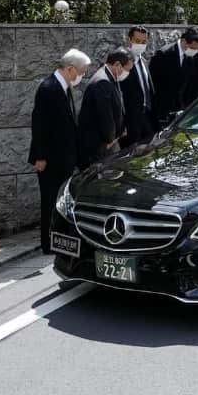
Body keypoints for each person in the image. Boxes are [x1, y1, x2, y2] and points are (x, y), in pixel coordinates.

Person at [28, 48, 91, 254]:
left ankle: (59, 240)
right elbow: (39, 124)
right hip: (50, 158)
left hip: (64, 156)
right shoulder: (49, 88)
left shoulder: (64, 87)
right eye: (81, 71)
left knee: (61, 201)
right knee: (49, 201)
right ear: (70, 69)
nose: (82, 76)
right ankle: (48, 243)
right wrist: (39, 156)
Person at [77, 48, 133, 169]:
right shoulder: (102, 82)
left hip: (105, 144)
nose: (127, 73)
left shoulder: (109, 77)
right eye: (127, 70)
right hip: (100, 147)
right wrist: (111, 140)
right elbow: (105, 116)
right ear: (117, 65)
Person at [149, 26, 198, 126]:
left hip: (183, 112)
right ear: (183, 41)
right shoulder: (163, 55)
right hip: (163, 113)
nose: (195, 51)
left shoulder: (195, 56)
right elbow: (153, 86)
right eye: (193, 48)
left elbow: (193, 84)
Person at [120, 26, 156, 148]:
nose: (140, 45)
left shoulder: (144, 62)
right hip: (130, 122)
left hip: (147, 118)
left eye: (144, 42)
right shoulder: (122, 64)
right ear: (129, 40)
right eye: (137, 41)